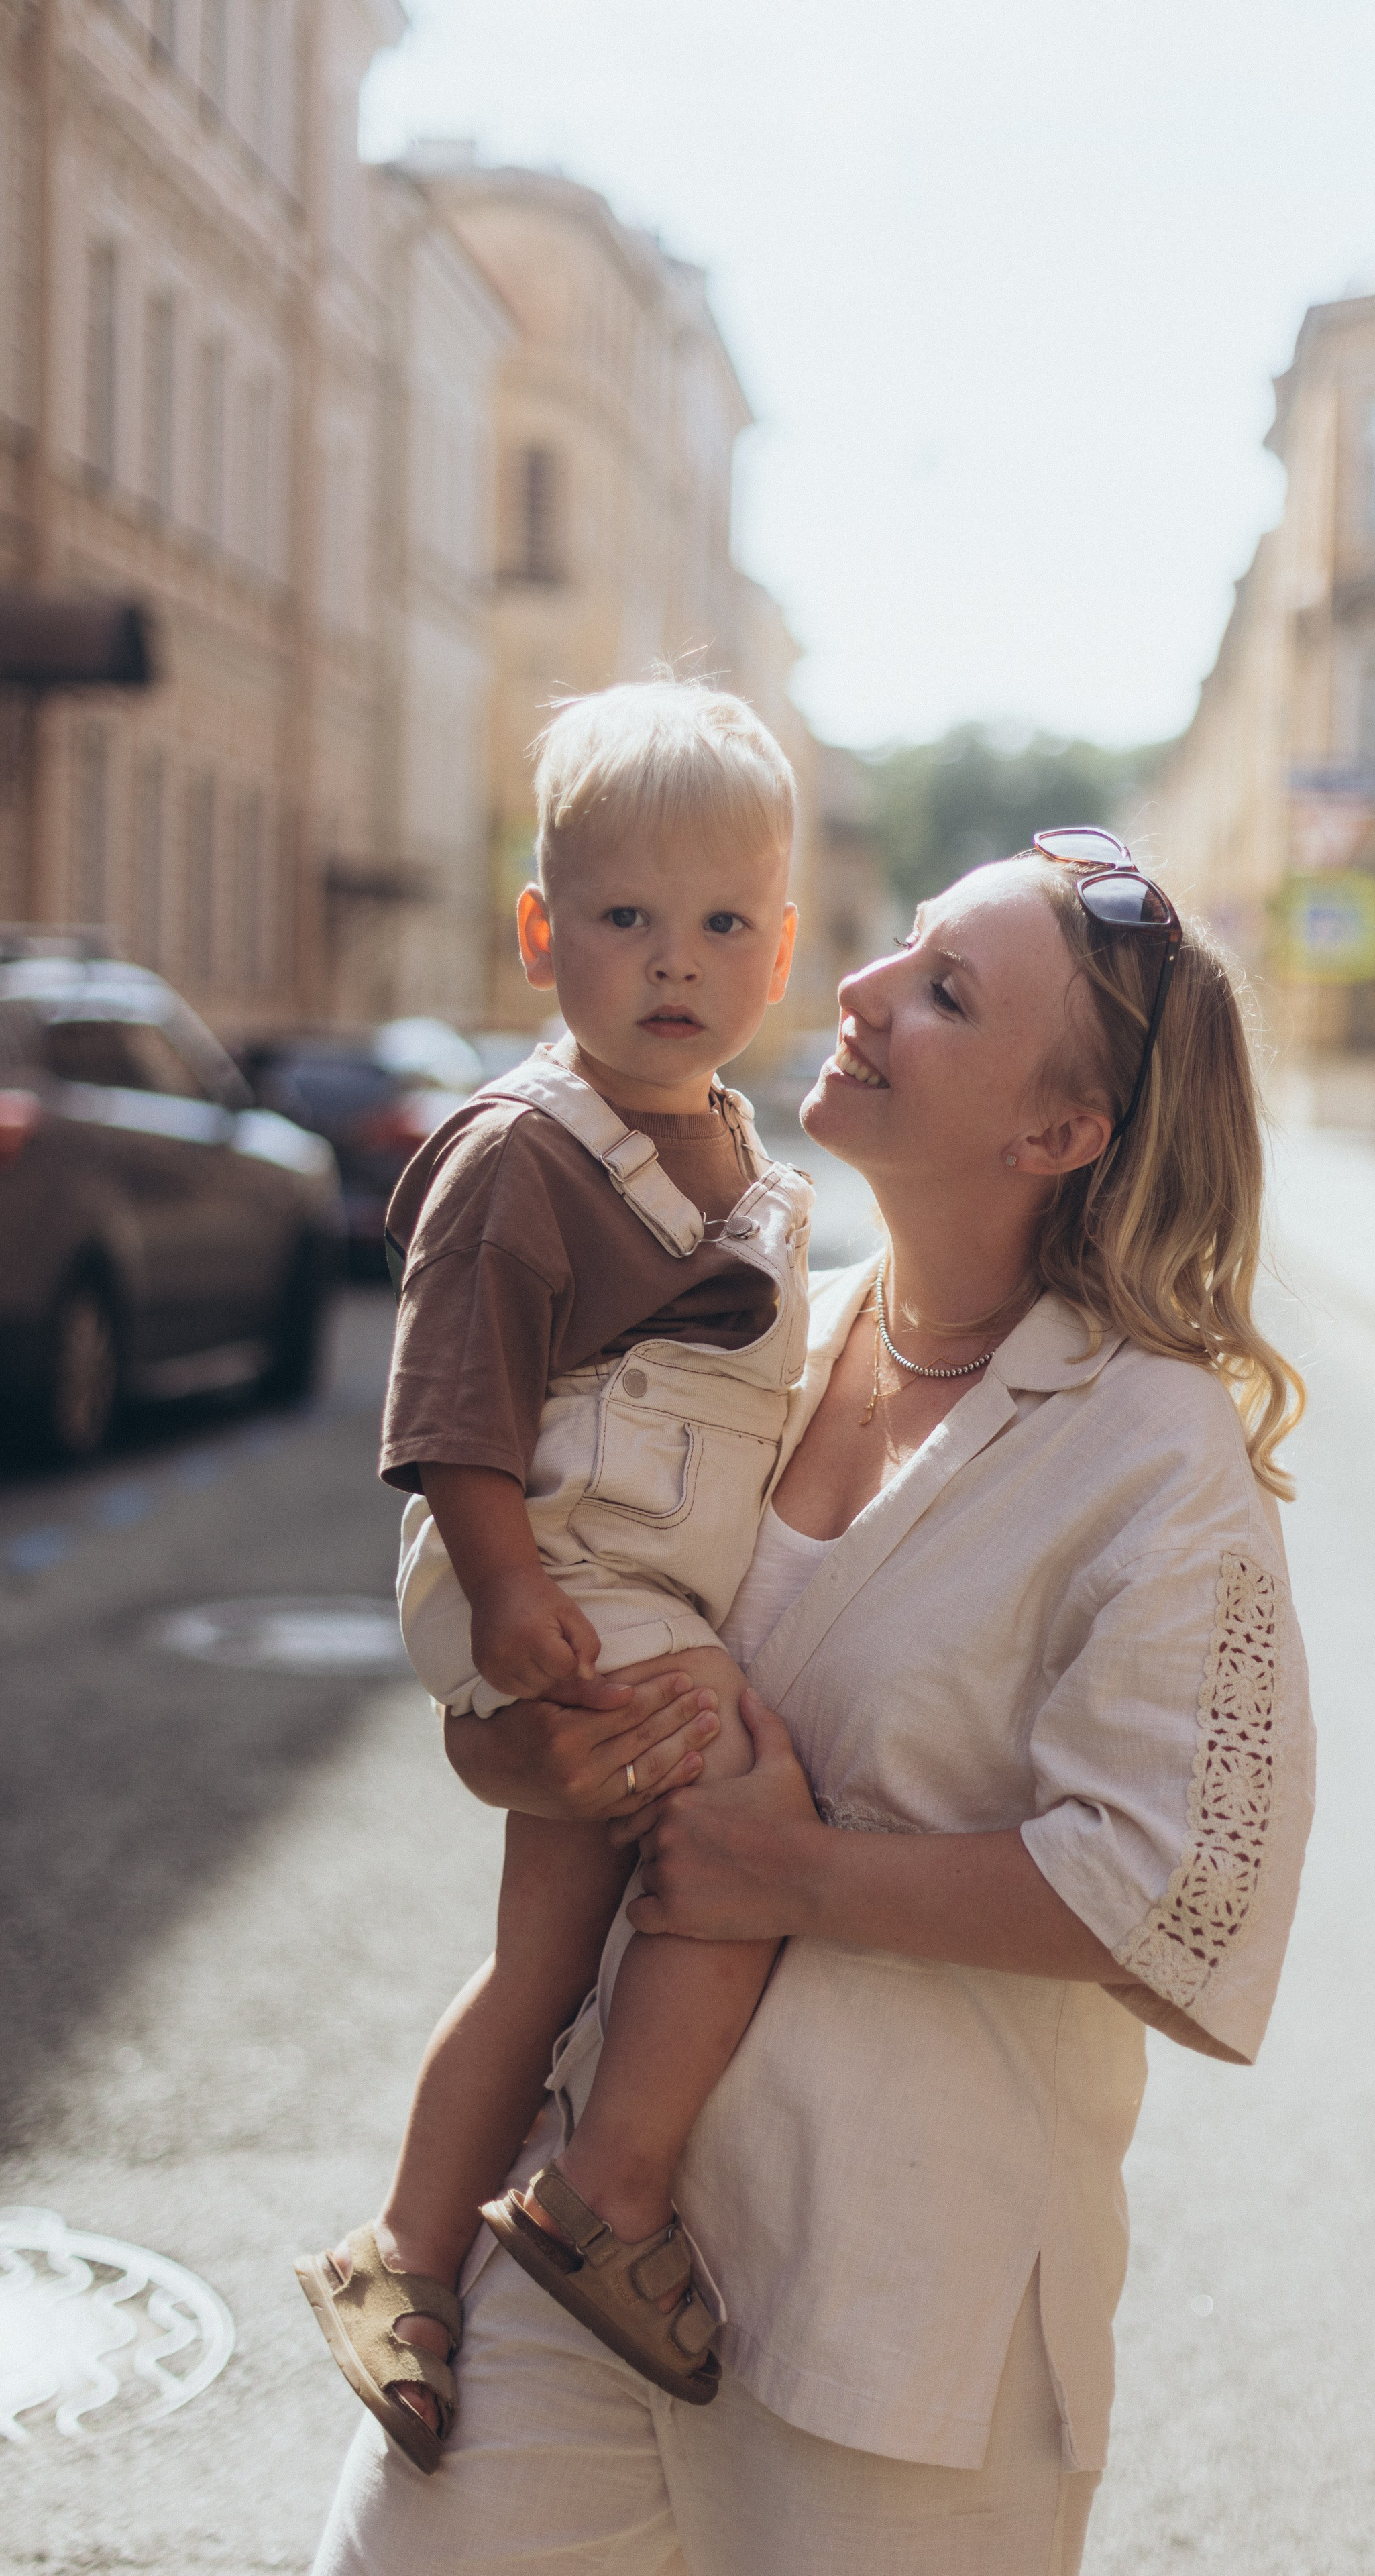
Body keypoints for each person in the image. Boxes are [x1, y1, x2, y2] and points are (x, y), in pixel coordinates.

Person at [313, 826, 1317, 2576]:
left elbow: (1168, 1879)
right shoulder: (756, 1330)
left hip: (895, 2314)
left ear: (1056, 1133)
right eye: (903, 948)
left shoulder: (1153, 1448)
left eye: (943, 991)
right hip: (574, 2234)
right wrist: (509, 1746)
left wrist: (799, 1879)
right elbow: (569, 1620)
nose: (858, 990)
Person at [297, 680, 819, 2467]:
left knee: (542, 1960)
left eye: (721, 923)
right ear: (541, 933)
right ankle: (609, 2189)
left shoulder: (746, 1164)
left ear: (780, 953)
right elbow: (454, 1398)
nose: (674, 961)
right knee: (749, 1787)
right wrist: (511, 1590)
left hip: (618, 1572)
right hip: (546, 1563)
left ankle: (404, 2259)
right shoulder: (526, 1154)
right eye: (623, 918)